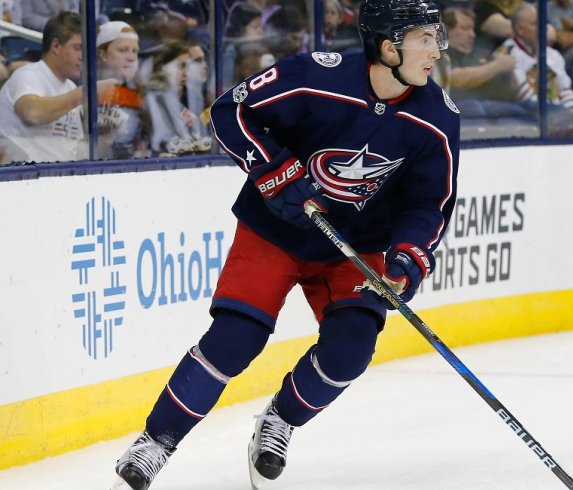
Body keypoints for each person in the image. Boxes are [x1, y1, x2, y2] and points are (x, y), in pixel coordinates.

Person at [111, 0, 460, 489]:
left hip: (354, 247)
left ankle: (280, 420)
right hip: (274, 231)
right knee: (235, 340)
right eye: (425, 38)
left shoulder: (436, 117)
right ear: (388, 46)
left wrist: (407, 259)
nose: (436, 50)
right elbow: (231, 111)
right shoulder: (317, 75)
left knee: (351, 351)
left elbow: (430, 202)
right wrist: (275, 170)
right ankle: (155, 443)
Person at [0, 11, 117, 164]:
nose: (83, 56)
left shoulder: (70, 87)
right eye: (78, 48)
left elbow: (74, 148)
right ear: (56, 46)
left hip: (58, 179)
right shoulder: (28, 75)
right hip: (21, 178)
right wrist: (87, 92)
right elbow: (32, 113)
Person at [503, 3, 573, 110]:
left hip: (556, 116)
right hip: (526, 118)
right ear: (520, 29)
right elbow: (525, 99)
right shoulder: (506, 55)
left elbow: (566, 91)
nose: (543, 28)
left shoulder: (553, 55)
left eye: (543, 23)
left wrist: (572, 114)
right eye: (535, 24)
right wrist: (555, 113)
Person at [96, 20, 148, 160]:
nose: (131, 58)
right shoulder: (82, 90)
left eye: (134, 51)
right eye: (122, 50)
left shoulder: (140, 94)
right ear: (103, 55)